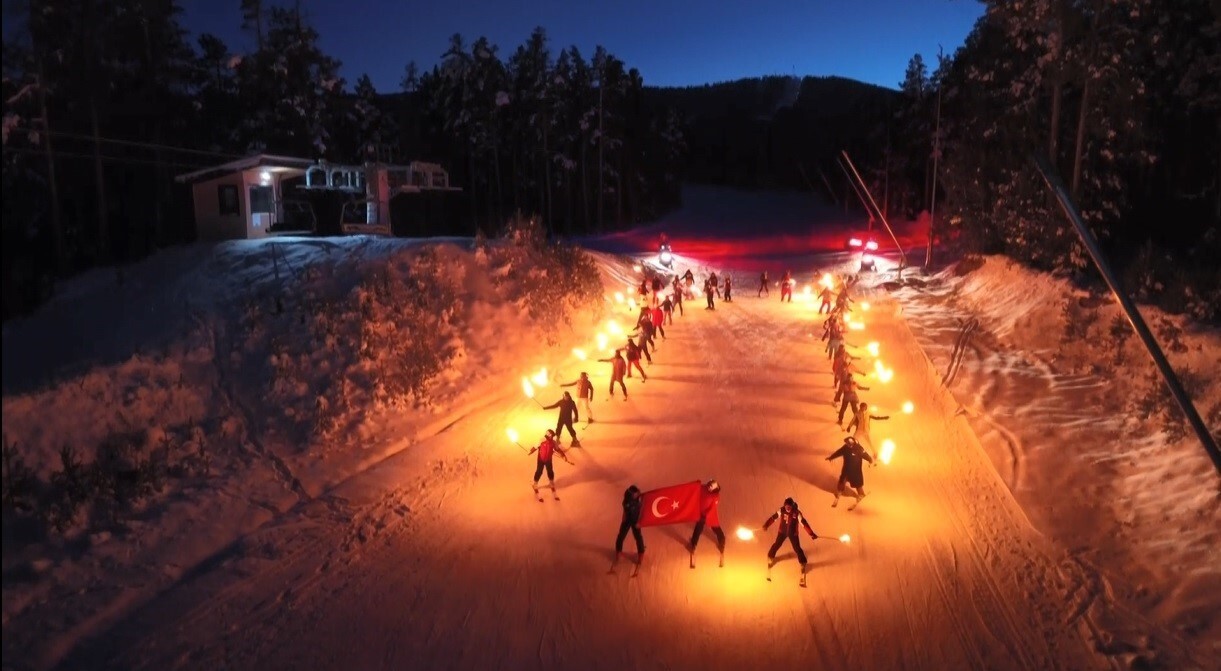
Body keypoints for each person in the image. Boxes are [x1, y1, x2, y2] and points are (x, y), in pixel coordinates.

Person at [762, 497, 818, 571]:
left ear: (792, 506)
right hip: (782, 532)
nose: (787, 508)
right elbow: (773, 518)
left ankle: (803, 562)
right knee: (777, 544)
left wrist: (811, 533)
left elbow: (804, 523)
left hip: (793, 534)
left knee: (797, 548)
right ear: (784, 506)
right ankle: (770, 557)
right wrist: (766, 525)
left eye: (789, 507)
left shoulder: (797, 513)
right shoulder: (781, 510)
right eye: (786, 507)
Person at [826, 436, 874, 508]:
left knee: (858, 483)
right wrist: (831, 457)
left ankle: (861, 494)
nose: (848, 445)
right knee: (842, 480)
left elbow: (865, 455)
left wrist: (870, 459)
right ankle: (839, 491)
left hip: (856, 470)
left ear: (853, 443)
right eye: (847, 443)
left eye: (849, 444)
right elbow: (839, 452)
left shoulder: (859, 448)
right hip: (846, 469)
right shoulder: (845, 448)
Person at [689, 479, 726, 566]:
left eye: (710, 487)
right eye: (708, 485)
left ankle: (722, 541)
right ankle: (693, 543)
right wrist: (695, 484)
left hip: (709, 515)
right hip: (700, 513)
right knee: (698, 528)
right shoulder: (703, 488)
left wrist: (707, 515)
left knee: (715, 527)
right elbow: (696, 489)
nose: (708, 487)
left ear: (714, 488)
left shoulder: (715, 496)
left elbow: (713, 507)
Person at [614, 484, 646, 567]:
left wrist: (639, 521)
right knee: (621, 536)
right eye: (636, 494)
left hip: (635, 520)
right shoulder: (627, 502)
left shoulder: (637, 496)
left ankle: (641, 553)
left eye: (637, 493)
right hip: (628, 520)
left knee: (638, 537)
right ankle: (618, 551)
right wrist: (625, 516)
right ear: (632, 495)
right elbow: (627, 509)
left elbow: (641, 502)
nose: (637, 495)